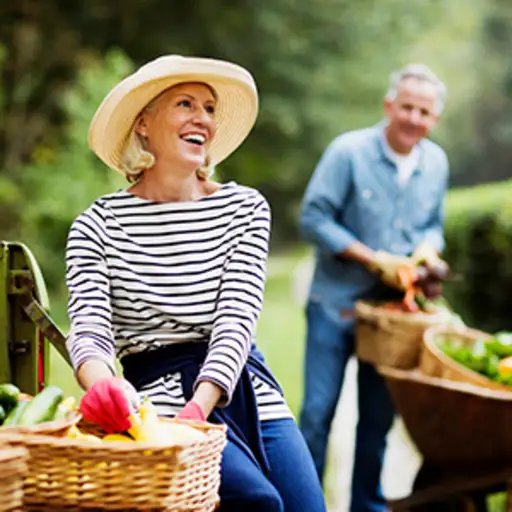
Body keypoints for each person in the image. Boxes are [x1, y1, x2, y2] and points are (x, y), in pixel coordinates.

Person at [65, 55, 327, 512]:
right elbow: (89, 329)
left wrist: (200, 408)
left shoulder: (244, 209)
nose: (202, 119)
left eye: (209, 108)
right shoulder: (96, 225)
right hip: (157, 400)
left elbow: (237, 319)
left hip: (243, 384)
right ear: (143, 124)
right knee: (257, 501)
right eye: (185, 103)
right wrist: (103, 388)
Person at [298, 63, 449, 511]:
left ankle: (366, 505)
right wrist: (372, 258)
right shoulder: (348, 152)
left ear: (434, 119)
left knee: (377, 421)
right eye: (407, 107)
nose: (414, 119)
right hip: (334, 305)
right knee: (317, 414)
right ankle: (304, 502)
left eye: (424, 112)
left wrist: (427, 251)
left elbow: (432, 226)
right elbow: (313, 218)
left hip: (390, 316)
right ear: (389, 106)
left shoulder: (436, 162)